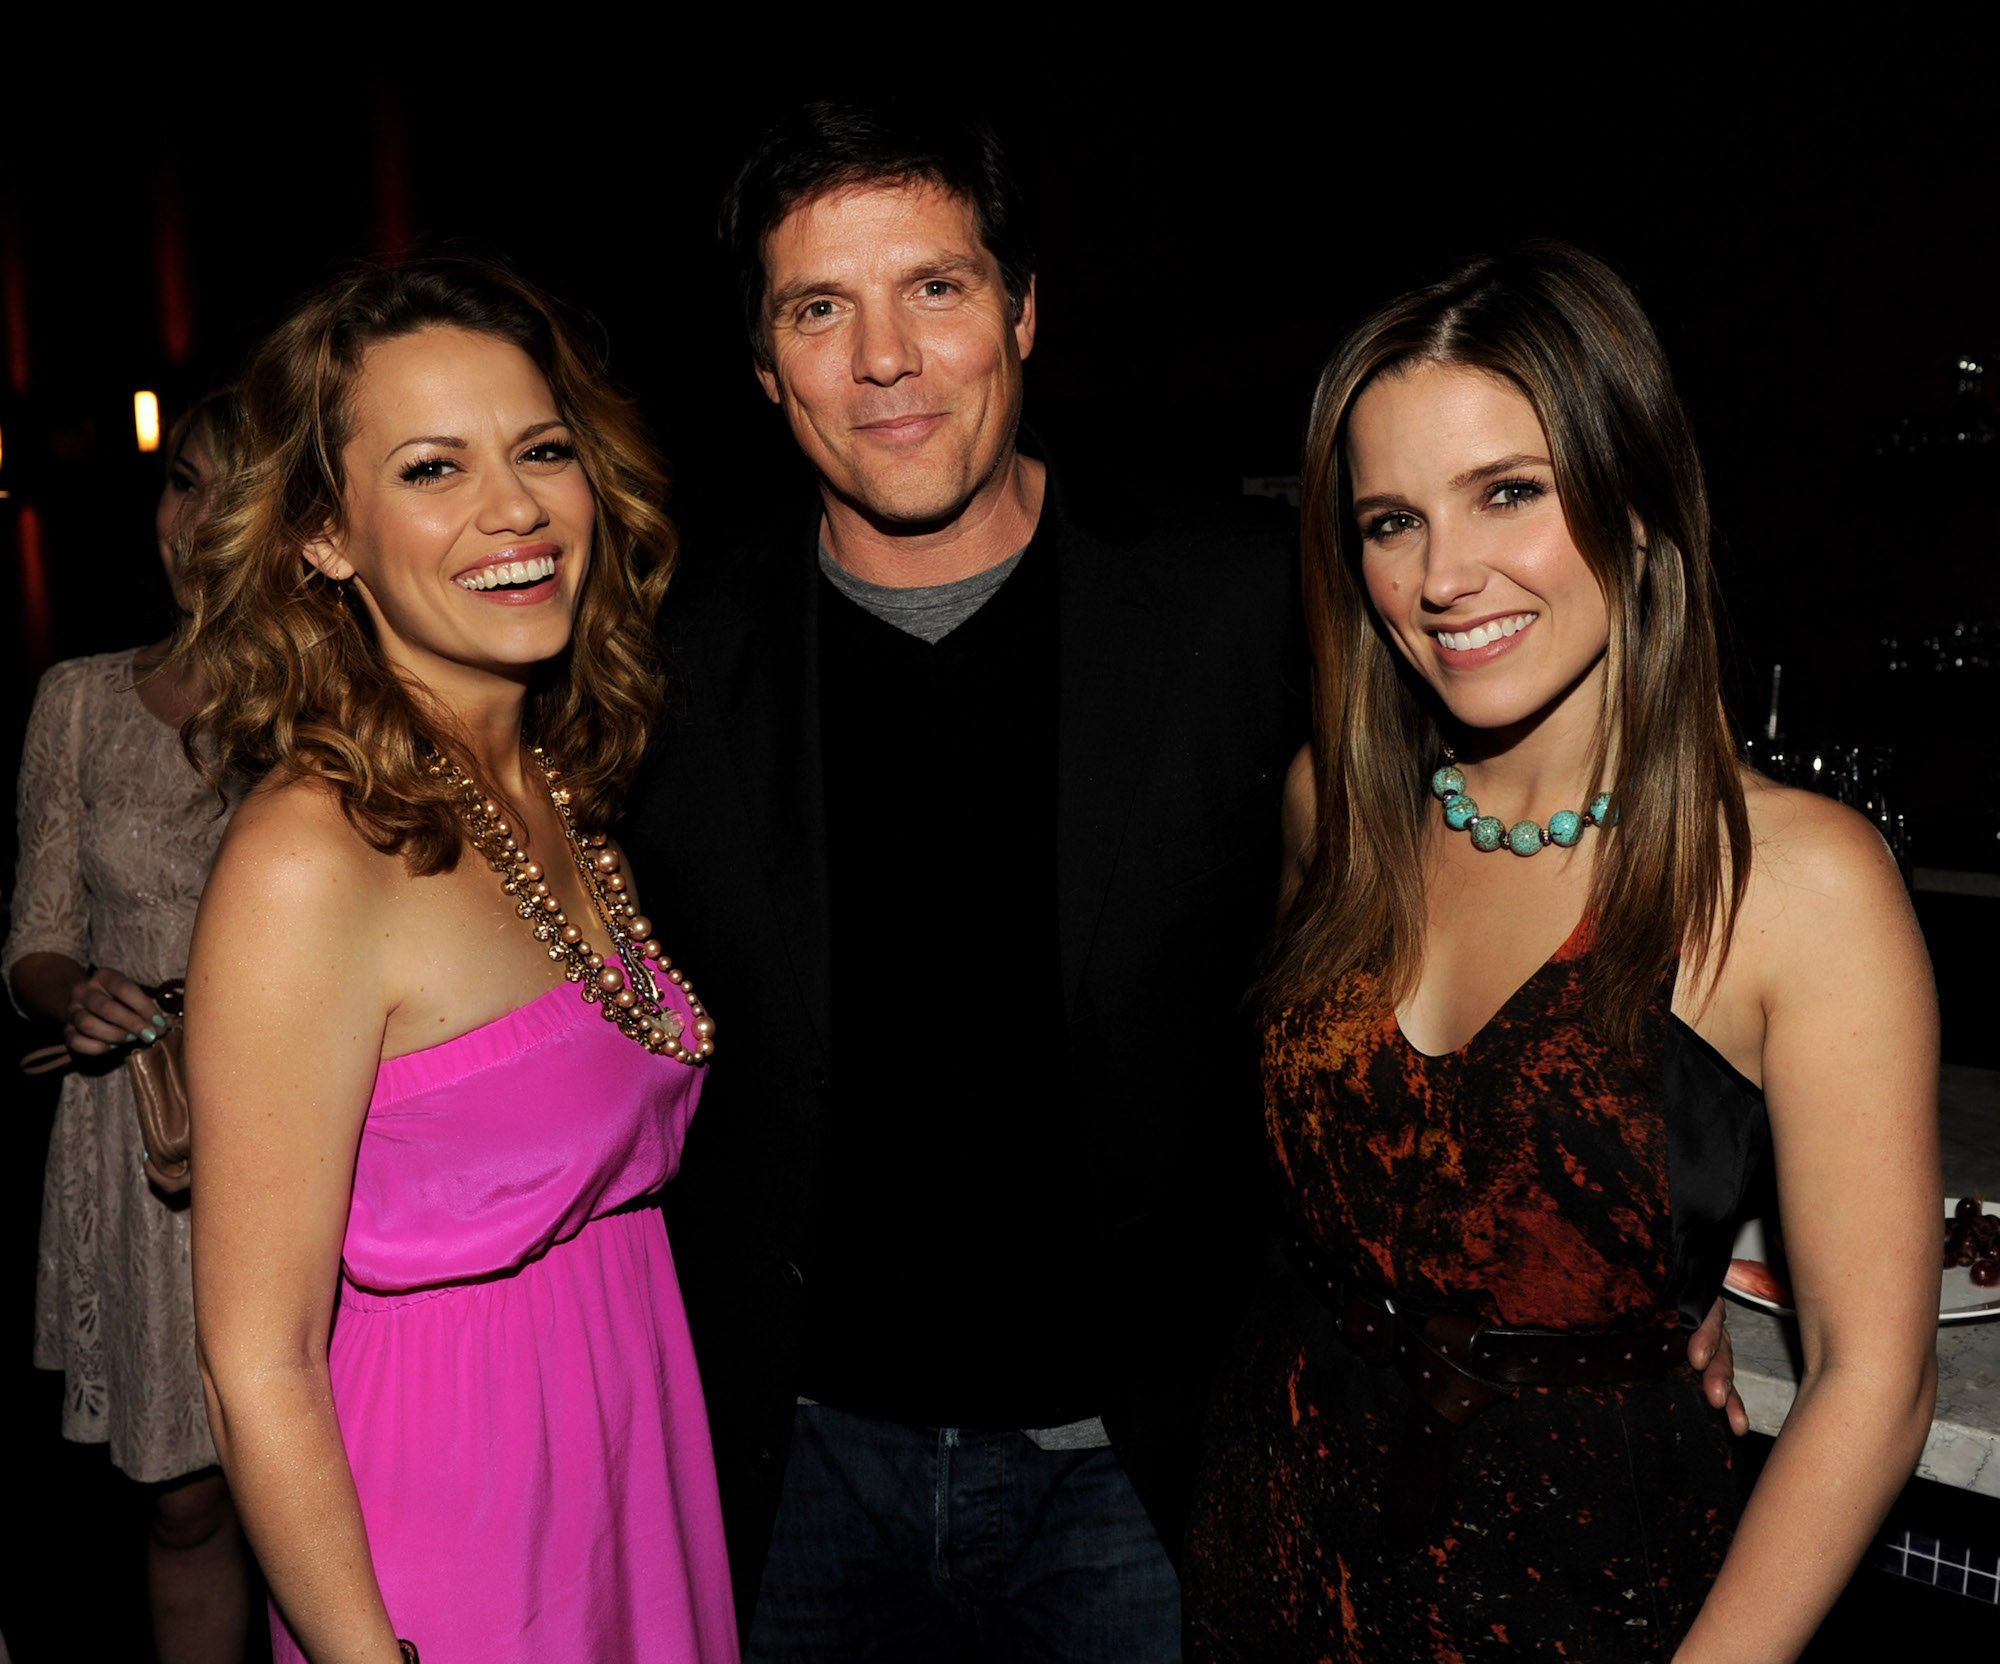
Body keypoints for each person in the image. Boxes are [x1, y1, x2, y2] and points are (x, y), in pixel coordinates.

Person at [1182, 243, 1940, 1660]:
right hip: (1271, 1544)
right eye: (1390, 520)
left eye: (1509, 494)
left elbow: (1870, 1379)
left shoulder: (1792, 880)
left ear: (1639, 499)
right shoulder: (1331, 806)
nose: (1443, 576)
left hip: (1587, 1594)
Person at [616, 101, 1306, 1659]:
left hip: (1140, 1471)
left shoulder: (1241, 609)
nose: (883, 359)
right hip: (796, 1473)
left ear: (1023, 309)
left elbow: (1462, 902)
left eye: (932, 287)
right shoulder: (660, 663)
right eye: (818, 308)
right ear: (762, 363)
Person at [179, 256, 736, 1663]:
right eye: (433, 469)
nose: (514, 509)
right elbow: (257, 1362)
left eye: (541, 449)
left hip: (632, 1469)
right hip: (451, 1528)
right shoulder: (307, 860)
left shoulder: (561, 770)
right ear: (325, 535)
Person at [5, 390, 254, 1664]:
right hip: (139, 1141)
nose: (194, 519)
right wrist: (79, 993)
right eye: (181, 482)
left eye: (233, 486)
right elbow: (34, 939)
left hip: (299, 1128)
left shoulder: (345, 706)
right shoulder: (82, 700)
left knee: (350, 1476)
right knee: (186, 1499)